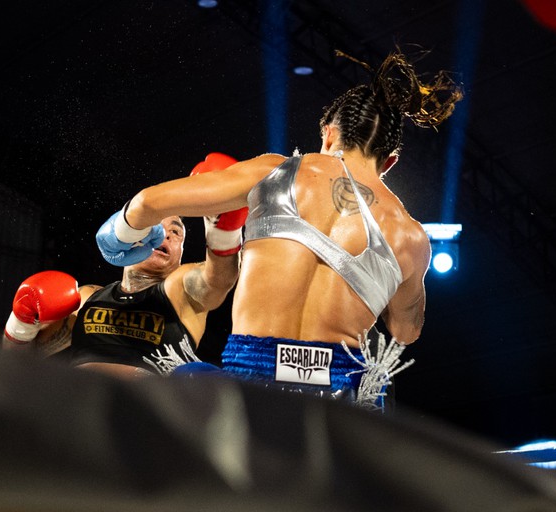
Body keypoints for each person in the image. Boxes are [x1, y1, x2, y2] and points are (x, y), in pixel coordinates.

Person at [95, 49, 463, 406]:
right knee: (376, 393)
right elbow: (406, 332)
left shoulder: (275, 172)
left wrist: (119, 238)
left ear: (330, 134)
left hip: (252, 391)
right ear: (391, 161)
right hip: (340, 403)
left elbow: (147, 203)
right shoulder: (410, 235)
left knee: (175, 379)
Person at [2, 152, 245, 379]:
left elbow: (218, 279)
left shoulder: (179, 290)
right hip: (79, 412)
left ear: (181, 252)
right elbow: (18, 361)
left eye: (176, 232)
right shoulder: (88, 298)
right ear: (129, 236)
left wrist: (224, 230)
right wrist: (20, 323)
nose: (166, 235)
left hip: (147, 415)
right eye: (157, 227)